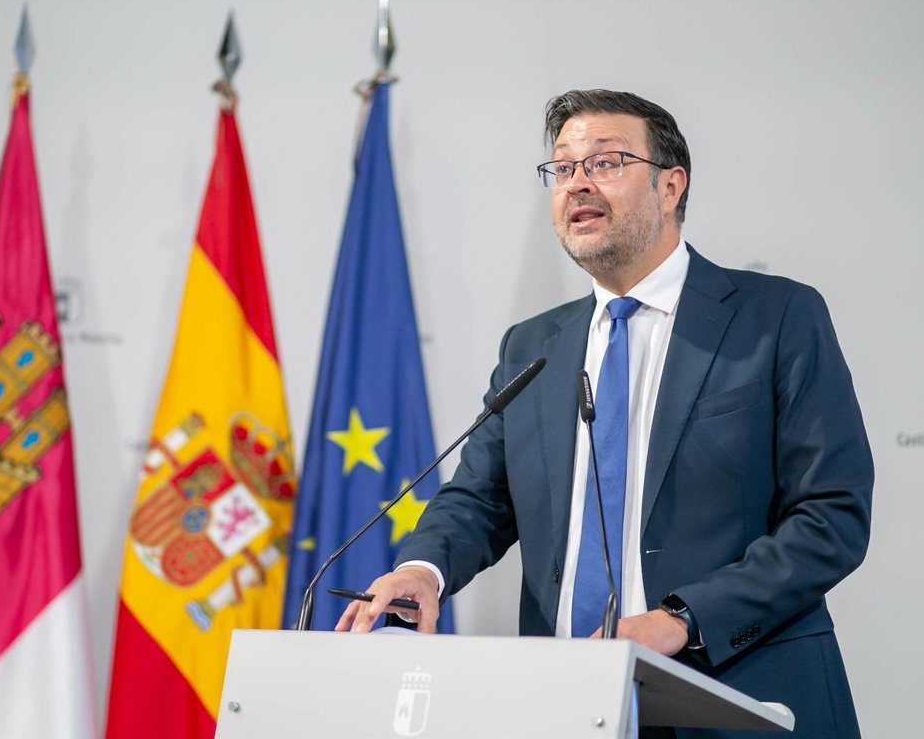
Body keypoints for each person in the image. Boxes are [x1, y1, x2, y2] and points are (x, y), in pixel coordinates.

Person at [335, 89, 873, 738]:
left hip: (739, 695)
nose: (577, 183)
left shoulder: (776, 318)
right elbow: (478, 499)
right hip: (570, 706)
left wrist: (682, 618)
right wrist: (422, 570)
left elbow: (831, 515)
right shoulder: (533, 347)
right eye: (563, 167)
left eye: (605, 162)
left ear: (670, 186)